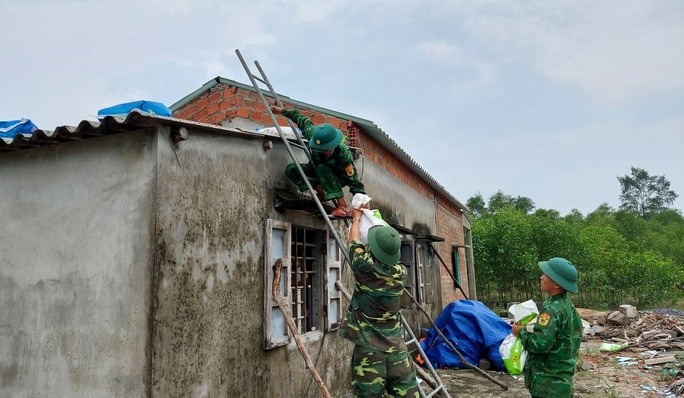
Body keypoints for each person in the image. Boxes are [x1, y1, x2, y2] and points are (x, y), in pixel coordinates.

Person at [339, 208, 419, 397]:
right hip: (397, 350)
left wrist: (357, 217)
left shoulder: (365, 267)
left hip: (369, 351)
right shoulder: (401, 273)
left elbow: (353, 242)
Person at [270, 105, 365, 218]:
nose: (325, 153)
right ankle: (321, 191)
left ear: (334, 144)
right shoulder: (314, 135)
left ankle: (342, 205)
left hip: (337, 179)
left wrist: (363, 203)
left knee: (323, 168)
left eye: (328, 150)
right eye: (321, 150)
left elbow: (354, 182)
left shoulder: (343, 155)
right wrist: (282, 111)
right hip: (316, 170)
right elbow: (301, 119)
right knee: (291, 169)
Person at [511, 257, 583, 398]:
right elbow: (559, 335)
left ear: (556, 283)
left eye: (546, 275)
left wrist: (521, 332)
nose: (541, 277)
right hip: (561, 384)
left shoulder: (551, 309)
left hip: (548, 384)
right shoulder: (567, 306)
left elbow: (540, 344)